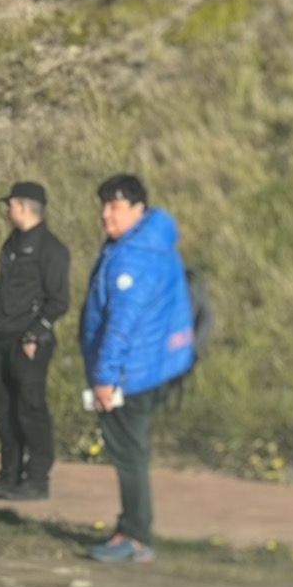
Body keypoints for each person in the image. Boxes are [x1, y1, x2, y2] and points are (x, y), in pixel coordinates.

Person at [78, 174, 195, 564]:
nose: (104, 214)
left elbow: (121, 325)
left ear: (138, 209)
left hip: (131, 373)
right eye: (104, 205)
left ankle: (136, 536)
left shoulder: (131, 257)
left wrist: (105, 378)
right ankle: (131, 528)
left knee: (128, 454)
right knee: (134, 451)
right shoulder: (153, 241)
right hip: (155, 364)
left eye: (115, 206)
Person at [0, 182, 70, 501]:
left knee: (31, 409)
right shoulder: (13, 242)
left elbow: (59, 300)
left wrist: (34, 333)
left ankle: (37, 479)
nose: (6, 210)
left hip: (29, 342)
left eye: (10, 204)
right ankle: (8, 475)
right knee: (5, 409)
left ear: (24, 206)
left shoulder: (51, 248)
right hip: (3, 336)